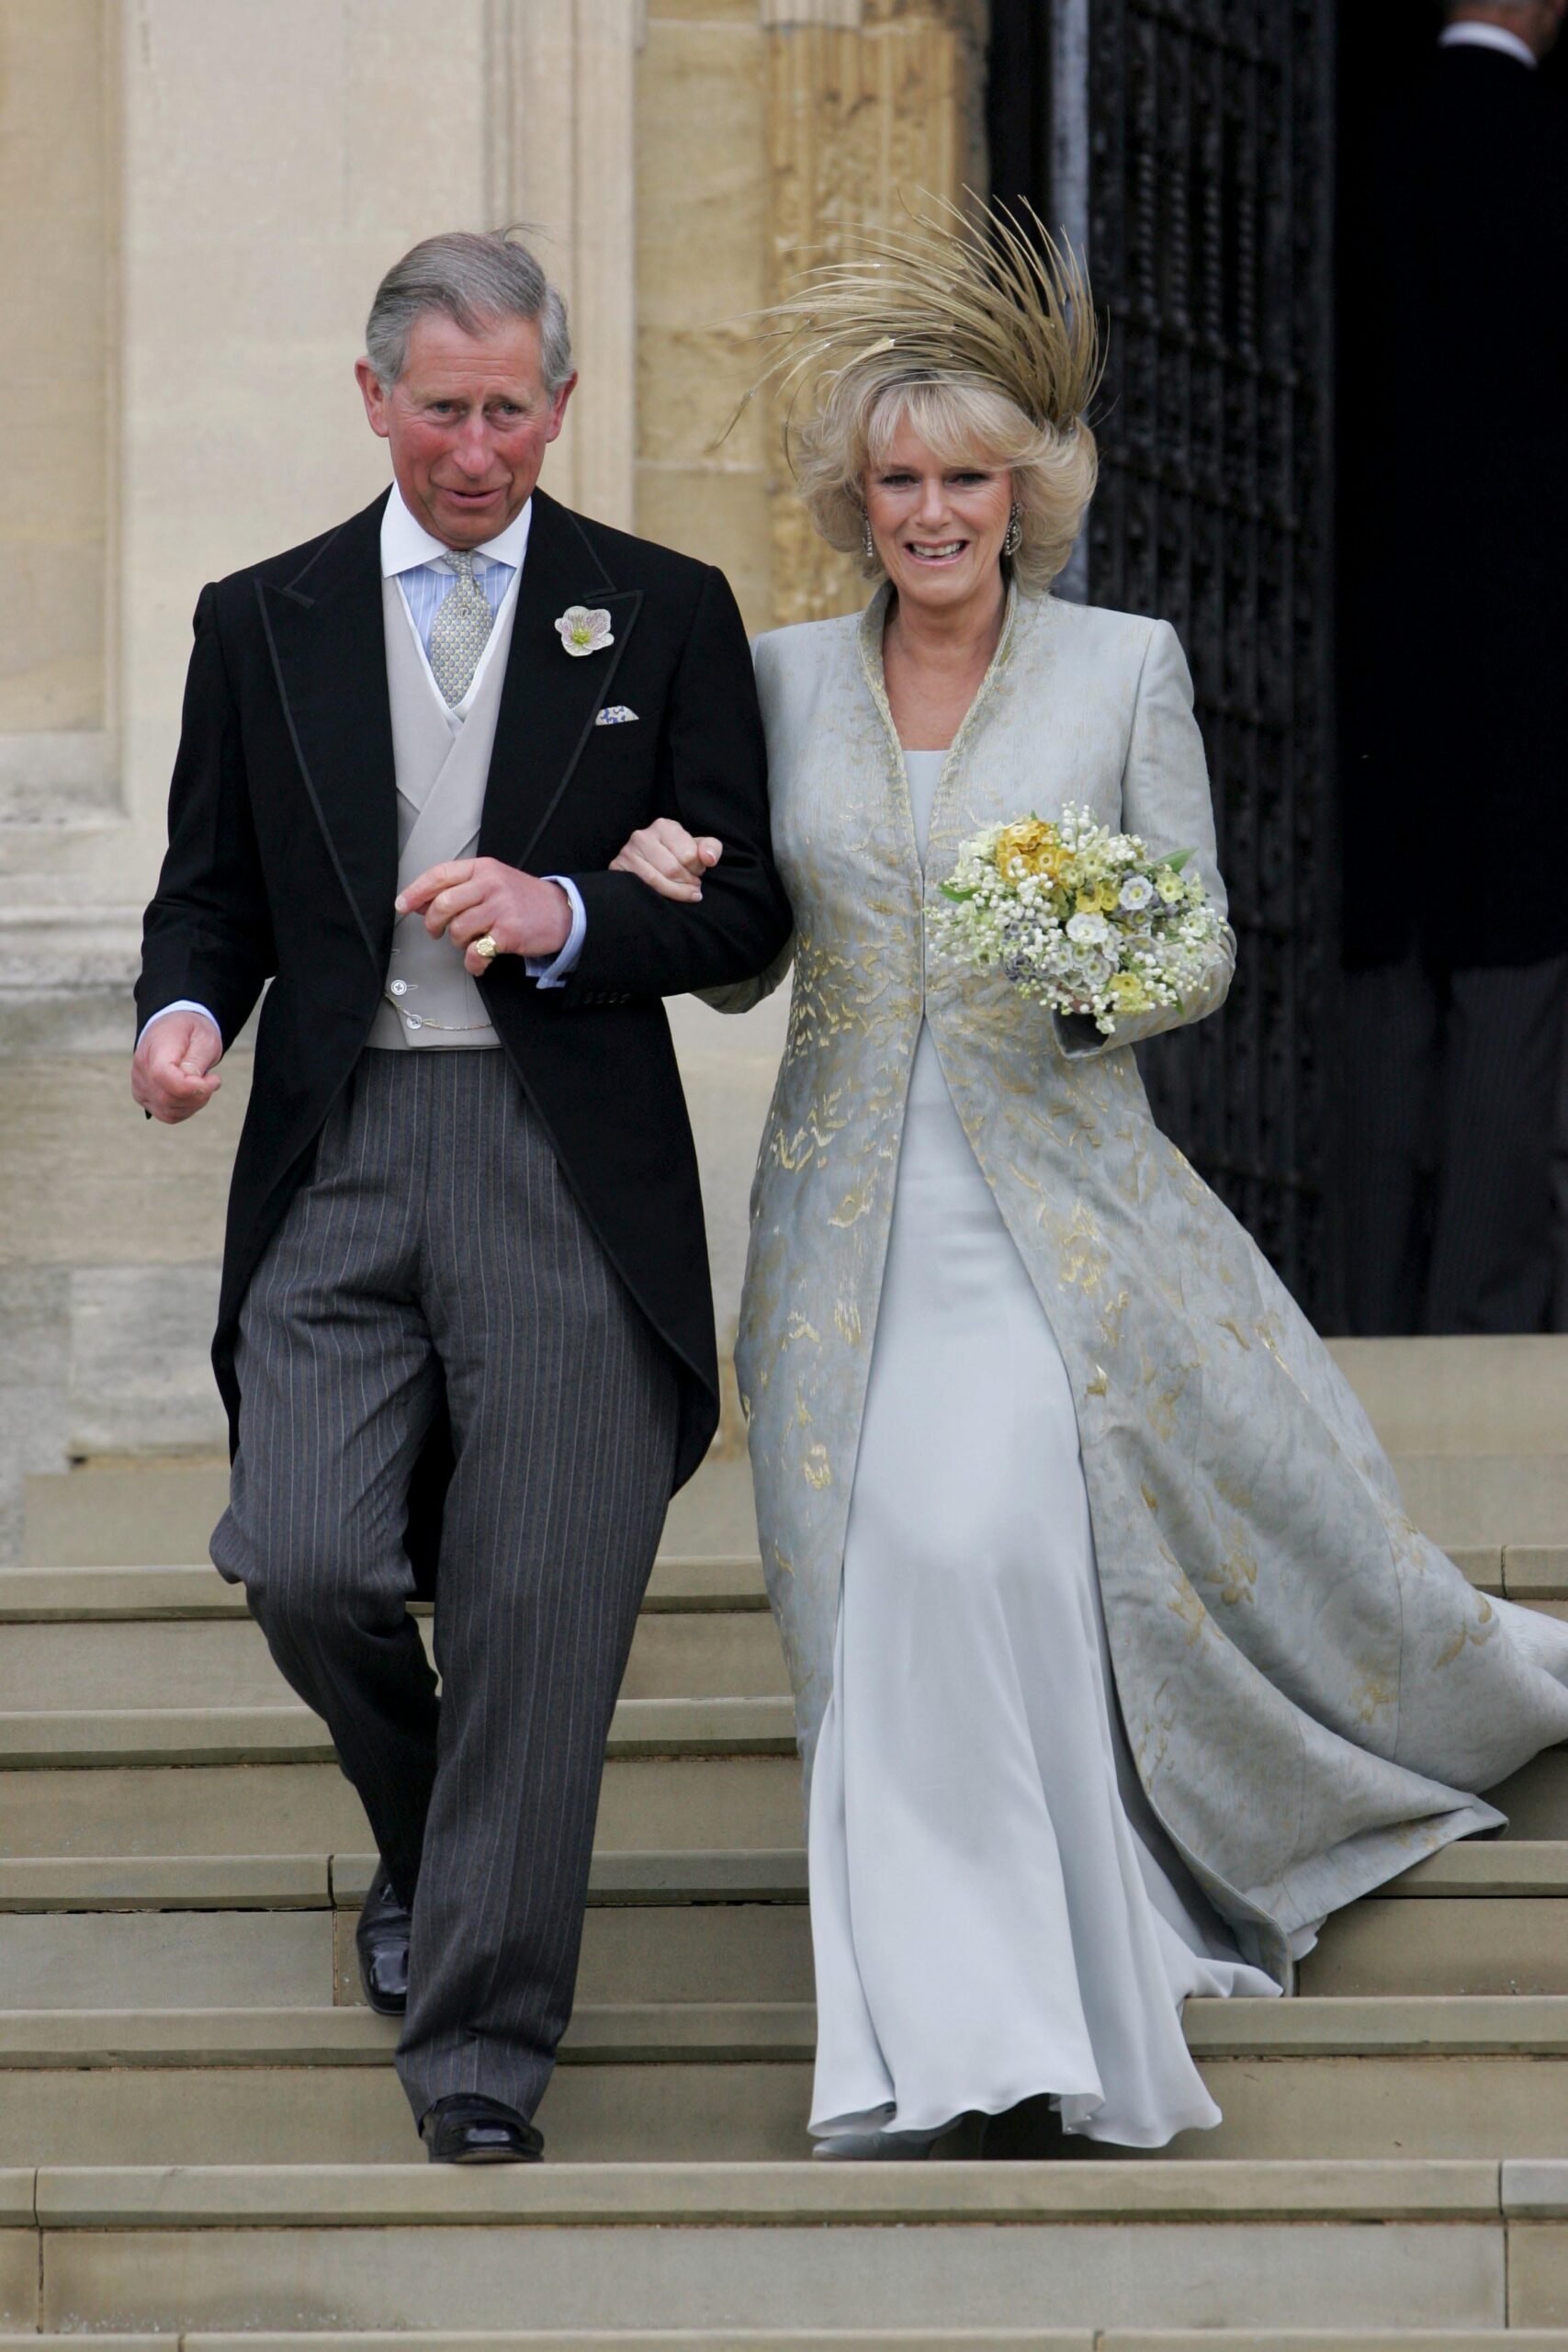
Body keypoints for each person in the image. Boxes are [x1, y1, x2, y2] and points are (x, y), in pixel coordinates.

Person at [611, 202, 1568, 2155]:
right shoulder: (780, 679)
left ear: (1025, 491)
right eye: (898, 478)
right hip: (833, 1236)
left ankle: (1041, 1994)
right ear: (854, 495)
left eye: (966, 477)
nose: (932, 511)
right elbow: (753, 956)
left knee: (989, 1549)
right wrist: (670, 897)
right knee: (873, 1586)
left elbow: (1194, 947)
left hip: (1057, 1219)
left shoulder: (1121, 665)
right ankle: (944, 2037)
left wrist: (1079, 953)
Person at [131, 229, 791, 2162]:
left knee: (539, 1597)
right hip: (338, 1155)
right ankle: (430, 1832)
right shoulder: (260, 615)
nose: (479, 446)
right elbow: (210, 887)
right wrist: (183, 1011)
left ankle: (482, 2041)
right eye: (444, 410)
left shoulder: (656, 609)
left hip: (564, 1161)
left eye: (513, 410)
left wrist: (566, 908)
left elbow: (744, 901)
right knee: (312, 1554)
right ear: (373, 400)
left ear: (559, 406)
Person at [1339, 0, 1568, 1333]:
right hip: (1528, 641)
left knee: (1382, 968)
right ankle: (1488, 1316)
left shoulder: (1351, 151)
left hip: (1364, 638)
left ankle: (1365, 1305)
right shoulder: (1546, 147)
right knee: (1513, 967)